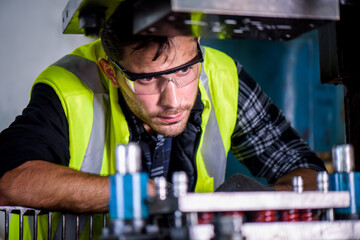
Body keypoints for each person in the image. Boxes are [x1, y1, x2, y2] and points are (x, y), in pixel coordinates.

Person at [0, 5, 326, 238]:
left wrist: (252, 206)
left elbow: (307, 173)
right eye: (147, 80)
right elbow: (11, 181)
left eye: (184, 70)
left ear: (198, 46)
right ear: (111, 72)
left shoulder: (222, 75)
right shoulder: (69, 85)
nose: (172, 100)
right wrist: (145, 194)